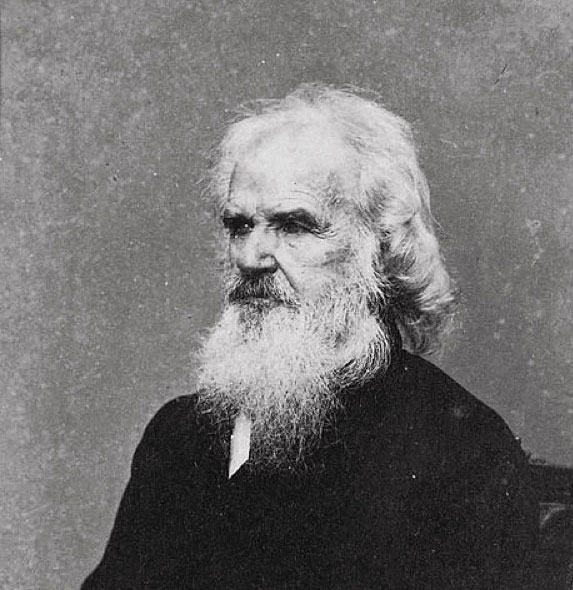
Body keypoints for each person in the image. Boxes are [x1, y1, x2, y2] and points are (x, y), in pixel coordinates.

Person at [82, 84, 538, 590]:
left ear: (379, 247)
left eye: (294, 226)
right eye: (239, 226)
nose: (251, 257)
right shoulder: (179, 437)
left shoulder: (461, 452)